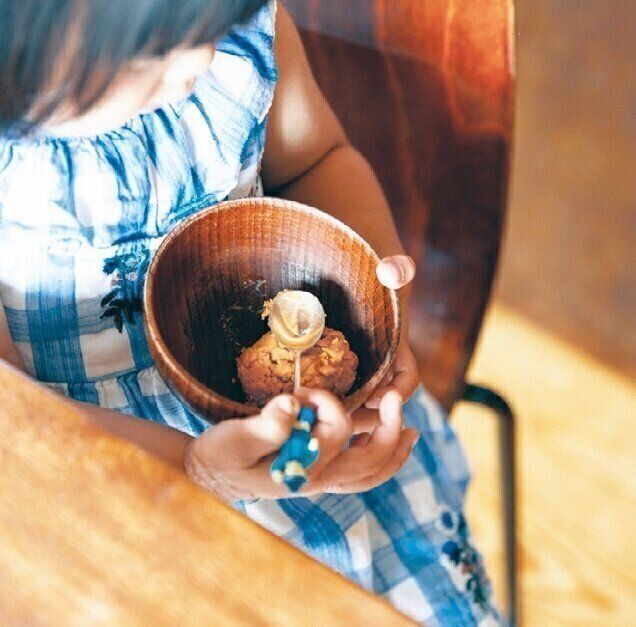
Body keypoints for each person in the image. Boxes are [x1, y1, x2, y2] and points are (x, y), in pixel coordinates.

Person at [0, 1, 498, 623]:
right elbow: (15, 420)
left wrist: (376, 303)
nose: (202, 58)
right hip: (103, 469)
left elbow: (318, 158)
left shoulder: (240, 34)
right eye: (153, 50)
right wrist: (195, 471)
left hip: (311, 423)